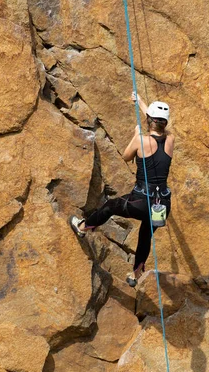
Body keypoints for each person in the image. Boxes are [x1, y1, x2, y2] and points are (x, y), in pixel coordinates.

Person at [69, 93, 174, 287]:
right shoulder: (170, 140)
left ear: (149, 120)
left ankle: (83, 227)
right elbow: (158, 125)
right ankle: (135, 274)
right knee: (145, 234)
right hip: (163, 204)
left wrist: (135, 136)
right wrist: (141, 102)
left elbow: (126, 157)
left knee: (110, 206)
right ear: (165, 123)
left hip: (142, 201)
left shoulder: (141, 140)